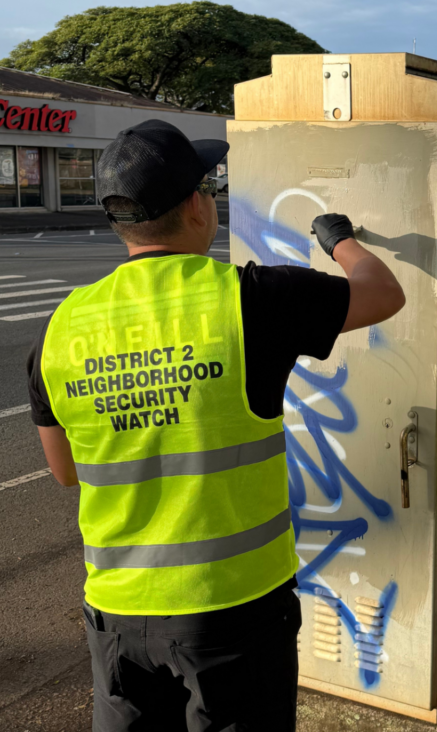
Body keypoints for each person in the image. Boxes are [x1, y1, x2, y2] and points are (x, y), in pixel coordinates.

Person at [26, 119, 405, 731]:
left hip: (118, 616)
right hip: (234, 613)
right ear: (197, 206)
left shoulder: (59, 328)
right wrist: (339, 242)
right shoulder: (254, 298)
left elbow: (65, 471)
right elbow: (383, 293)